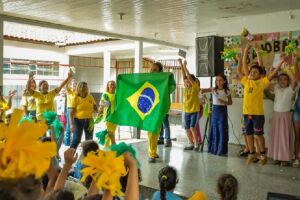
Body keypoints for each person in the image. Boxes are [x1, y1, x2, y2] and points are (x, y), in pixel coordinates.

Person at [237, 44, 280, 165]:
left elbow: (270, 75)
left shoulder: (261, 83)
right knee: (249, 134)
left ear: (260, 75)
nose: (252, 72)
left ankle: (262, 153)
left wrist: (280, 63)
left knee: (258, 135)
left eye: (256, 72)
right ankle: (251, 154)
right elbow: (244, 68)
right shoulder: (247, 81)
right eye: (251, 71)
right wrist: (245, 51)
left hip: (257, 115)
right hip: (246, 113)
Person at [268, 55, 298, 166]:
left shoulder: (290, 89)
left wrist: (287, 69)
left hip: (285, 116)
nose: (282, 81)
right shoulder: (276, 88)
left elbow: (294, 80)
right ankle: (277, 156)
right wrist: (277, 65)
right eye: (280, 79)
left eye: (285, 79)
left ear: (288, 81)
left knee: (284, 137)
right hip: (276, 115)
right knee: (276, 136)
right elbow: (268, 80)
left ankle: (284, 158)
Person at [201, 74, 233, 156]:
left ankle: (221, 150)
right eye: (217, 80)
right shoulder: (213, 89)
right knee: (214, 128)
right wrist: (203, 94)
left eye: (220, 80)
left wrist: (224, 102)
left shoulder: (227, 91)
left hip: (222, 111)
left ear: (224, 81)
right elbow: (202, 91)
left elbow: (230, 102)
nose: (218, 82)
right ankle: (213, 149)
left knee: (221, 128)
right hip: (214, 111)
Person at [178, 59, 200, 151]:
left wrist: (185, 66)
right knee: (187, 128)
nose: (186, 82)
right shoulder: (186, 87)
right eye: (186, 81)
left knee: (192, 127)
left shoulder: (195, 87)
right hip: (186, 111)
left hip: (194, 111)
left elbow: (189, 77)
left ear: (192, 82)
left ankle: (196, 144)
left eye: (188, 81)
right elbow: (184, 76)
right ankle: (191, 143)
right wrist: (181, 65)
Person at [148, 62, 168, 162]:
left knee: (156, 130)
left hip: (159, 109)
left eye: (155, 70)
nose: (152, 71)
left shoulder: (162, 82)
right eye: (151, 69)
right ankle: (151, 153)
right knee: (151, 130)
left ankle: (153, 152)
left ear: (160, 72)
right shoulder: (147, 80)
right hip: (149, 109)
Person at [70, 82, 97, 149]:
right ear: (79, 88)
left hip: (90, 120)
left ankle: (87, 157)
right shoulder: (75, 98)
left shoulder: (90, 97)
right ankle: (70, 156)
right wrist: (71, 125)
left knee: (89, 140)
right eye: (83, 87)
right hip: (78, 121)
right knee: (76, 140)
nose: (85, 88)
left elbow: (96, 108)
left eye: (86, 87)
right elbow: (71, 113)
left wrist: (100, 111)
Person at [98, 80, 117, 148]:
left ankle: (113, 150)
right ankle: (106, 150)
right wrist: (99, 113)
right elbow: (102, 105)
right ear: (108, 86)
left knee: (112, 134)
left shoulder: (116, 95)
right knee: (108, 134)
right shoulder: (105, 94)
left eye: (113, 84)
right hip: (108, 117)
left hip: (115, 118)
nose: (112, 86)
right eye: (111, 84)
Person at [64, 79, 77, 146]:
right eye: (72, 84)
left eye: (75, 84)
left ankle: (73, 142)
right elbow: (66, 85)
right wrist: (69, 78)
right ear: (70, 85)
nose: (74, 85)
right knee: (69, 127)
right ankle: (67, 142)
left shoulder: (77, 93)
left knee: (75, 127)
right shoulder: (69, 92)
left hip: (76, 111)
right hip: (69, 110)